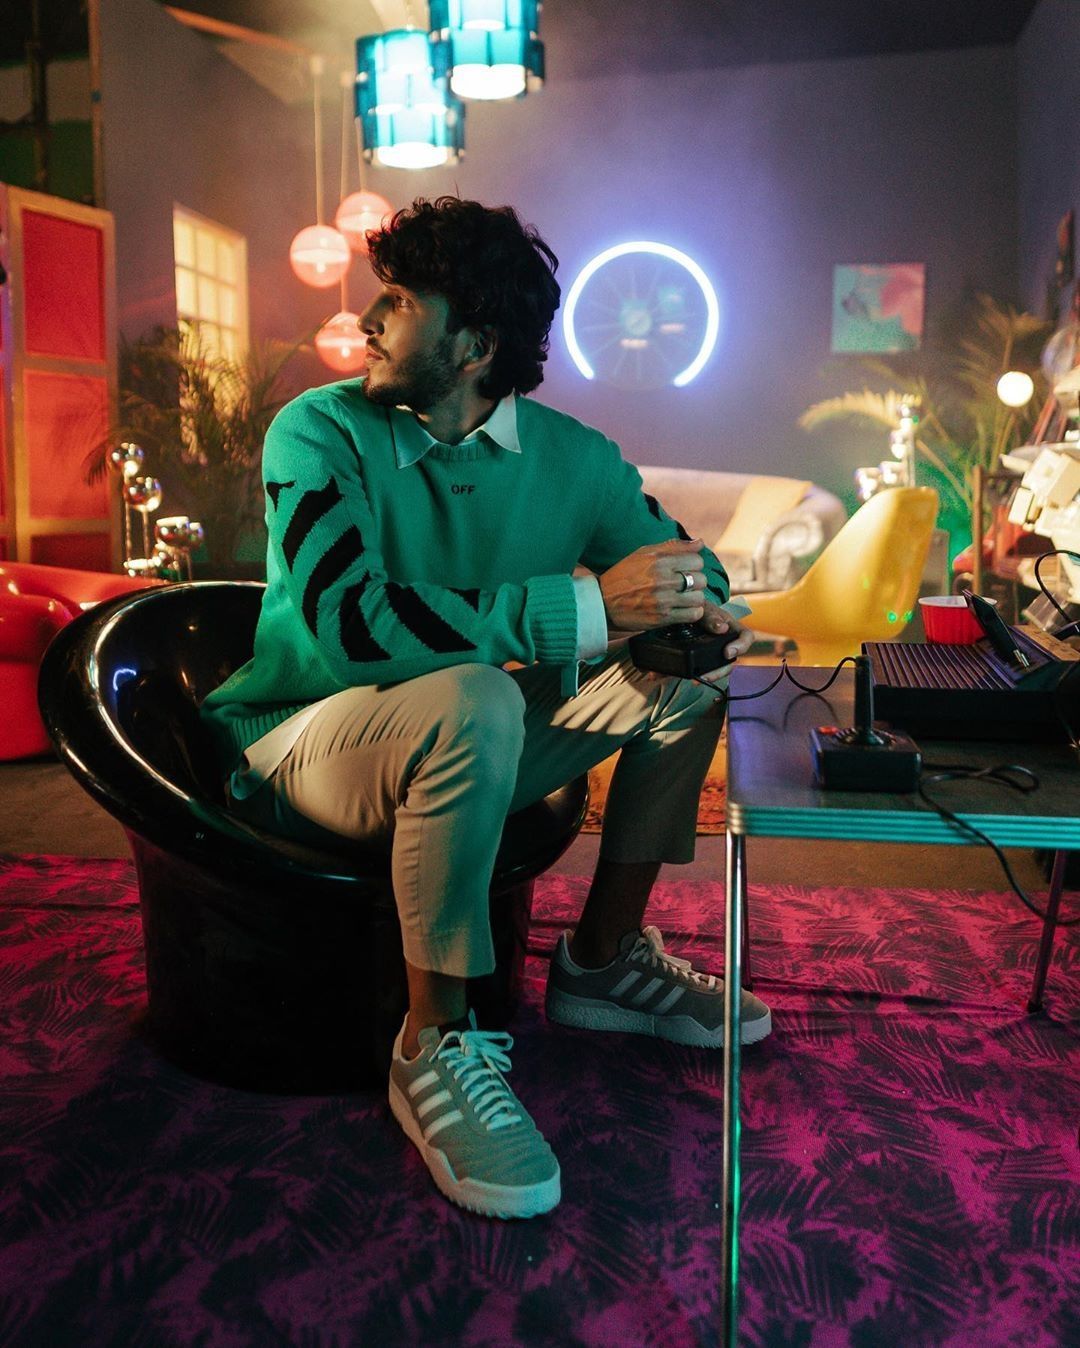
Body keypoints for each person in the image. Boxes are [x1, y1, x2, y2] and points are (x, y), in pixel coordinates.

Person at [201, 196, 770, 1221]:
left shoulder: (573, 457)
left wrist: (697, 610)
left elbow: (694, 564)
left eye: (399, 300)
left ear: (475, 343)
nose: (367, 319)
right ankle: (435, 1041)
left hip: (471, 738)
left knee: (682, 678)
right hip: (305, 740)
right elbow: (350, 626)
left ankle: (601, 961)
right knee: (476, 696)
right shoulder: (317, 431)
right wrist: (586, 608)